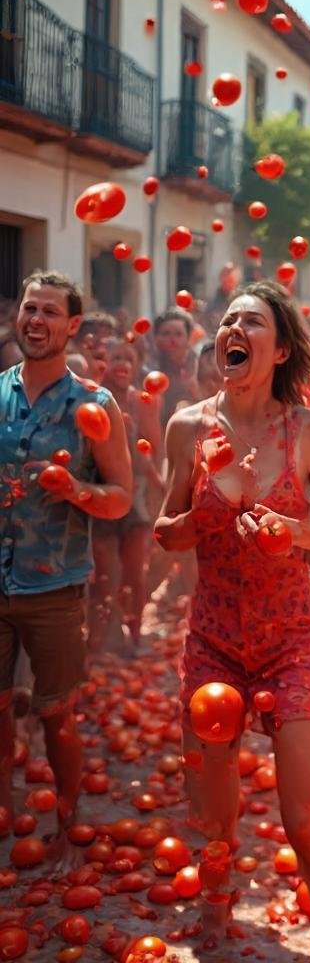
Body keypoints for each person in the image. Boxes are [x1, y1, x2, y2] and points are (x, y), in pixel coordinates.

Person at [155, 281, 310, 959]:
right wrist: (206, 512)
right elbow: (166, 532)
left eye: (252, 321)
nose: (233, 329)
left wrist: (290, 531)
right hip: (214, 638)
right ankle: (215, 909)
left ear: (281, 349)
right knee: (216, 810)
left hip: (292, 637)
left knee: (303, 813)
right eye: (228, 320)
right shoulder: (187, 427)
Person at [0, 270, 133, 867]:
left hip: (53, 587)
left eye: (49, 312)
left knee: (56, 714)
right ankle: (4, 809)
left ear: (72, 325)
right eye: (30, 308)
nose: (36, 320)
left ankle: (68, 824)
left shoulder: (94, 404)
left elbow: (121, 497)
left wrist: (75, 489)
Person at [88, 338, 164, 652]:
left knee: (135, 574)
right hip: (102, 498)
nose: (122, 365)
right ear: (102, 364)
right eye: (116, 358)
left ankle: (134, 635)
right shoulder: (90, 399)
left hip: (136, 500)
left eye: (129, 359)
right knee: (106, 576)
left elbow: (155, 447)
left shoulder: (142, 401)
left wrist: (155, 482)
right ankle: (99, 643)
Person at [150, 306, 198, 427]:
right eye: (166, 333)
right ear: (156, 338)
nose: (172, 340)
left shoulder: (200, 368)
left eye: (178, 334)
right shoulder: (148, 371)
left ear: (188, 339)